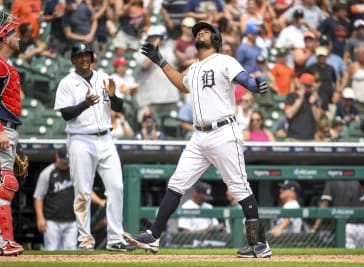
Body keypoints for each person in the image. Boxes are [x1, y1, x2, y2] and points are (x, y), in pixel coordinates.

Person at [123, 22, 271, 258]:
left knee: (239, 186)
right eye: (197, 32)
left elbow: (244, 78)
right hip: (199, 134)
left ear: (216, 38)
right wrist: (160, 61)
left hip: (224, 131)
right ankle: (153, 236)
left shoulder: (225, 60)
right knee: (177, 183)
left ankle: (259, 243)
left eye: (206, 31)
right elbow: (182, 84)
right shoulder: (194, 68)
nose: (200, 32)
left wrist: (254, 85)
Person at [54, 41, 134, 252]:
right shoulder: (67, 82)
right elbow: (65, 114)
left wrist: (115, 96)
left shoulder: (103, 78)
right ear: (73, 59)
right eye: (80, 56)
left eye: (87, 55)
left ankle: (116, 239)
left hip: (106, 138)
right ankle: (85, 241)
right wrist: (84, 104)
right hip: (80, 139)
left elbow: (118, 108)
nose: (84, 59)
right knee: (82, 192)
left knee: (116, 186)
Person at [0, 11, 25, 256]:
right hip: (2, 127)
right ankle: (4, 241)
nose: (18, 37)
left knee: (5, 182)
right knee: (5, 183)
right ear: (4, 38)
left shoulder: (7, 66)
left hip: (10, 128)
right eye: (14, 33)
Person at [33, 147, 77, 251]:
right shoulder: (47, 173)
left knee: (71, 250)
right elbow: (38, 197)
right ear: (57, 157)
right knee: (51, 249)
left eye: (67, 162)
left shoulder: (73, 172)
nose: (65, 164)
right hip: (52, 220)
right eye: (63, 162)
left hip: (71, 220)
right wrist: (40, 218)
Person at [311, 181, 364, 249]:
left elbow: (325, 205)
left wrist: (315, 227)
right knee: (361, 256)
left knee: (349, 257)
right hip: (362, 226)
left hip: (345, 227)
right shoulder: (355, 181)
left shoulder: (332, 182)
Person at [284, 73, 323, 141]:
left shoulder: (313, 97)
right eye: (305, 85)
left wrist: (312, 104)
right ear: (300, 84)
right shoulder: (291, 96)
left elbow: (317, 118)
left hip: (310, 138)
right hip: (293, 137)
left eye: (309, 86)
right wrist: (300, 98)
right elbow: (289, 114)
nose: (307, 88)